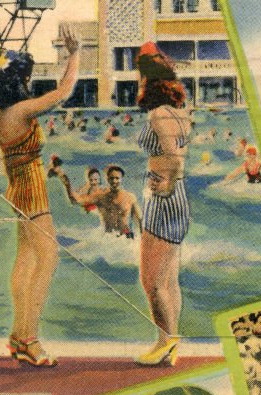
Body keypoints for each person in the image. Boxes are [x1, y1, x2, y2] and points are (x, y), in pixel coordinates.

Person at [0, 31, 79, 366]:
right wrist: (74, 53)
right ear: (19, 78)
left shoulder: (1, 114)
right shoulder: (21, 111)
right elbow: (63, 93)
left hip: (18, 189)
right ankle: (30, 339)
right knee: (48, 259)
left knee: (25, 260)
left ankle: (17, 335)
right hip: (32, 191)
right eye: (27, 76)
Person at [134, 42, 191, 366]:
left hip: (164, 198)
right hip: (176, 196)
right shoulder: (180, 111)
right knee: (169, 279)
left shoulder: (158, 114)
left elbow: (173, 155)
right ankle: (171, 339)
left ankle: (164, 341)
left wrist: (164, 182)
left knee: (151, 281)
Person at [58, 164, 141, 237]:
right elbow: (76, 201)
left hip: (125, 239)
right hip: (108, 239)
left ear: (121, 179)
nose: (114, 181)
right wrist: (67, 184)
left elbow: (139, 220)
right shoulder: (100, 196)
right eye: (112, 178)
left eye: (117, 178)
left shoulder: (130, 197)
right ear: (107, 179)